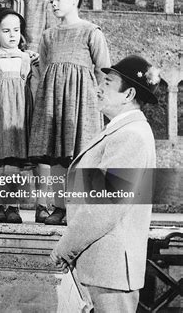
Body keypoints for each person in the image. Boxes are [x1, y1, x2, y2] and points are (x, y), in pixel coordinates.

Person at [51, 55, 161, 312]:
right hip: (101, 267)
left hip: (108, 271)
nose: (98, 88)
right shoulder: (122, 131)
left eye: (108, 83)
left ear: (128, 93)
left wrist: (65, 248)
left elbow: (106, 205)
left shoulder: (131, 136)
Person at [29, 0, 111, 225]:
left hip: (82, 102)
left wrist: (97, 101)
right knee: (56, 156)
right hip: (53, 103)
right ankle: (59, 208)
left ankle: (79, 209)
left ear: (74, 0)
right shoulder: (48, 36)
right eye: (51, 0)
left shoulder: (91, 31)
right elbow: (44, 70)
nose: (53, 4)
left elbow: (104, 71)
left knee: (81, 154)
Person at [0, 0, 58, 223]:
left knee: (40, 141)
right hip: (8, 80)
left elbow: (53, 38)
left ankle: (44, 205)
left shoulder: (44, 4)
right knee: (9, 140)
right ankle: (7, 205)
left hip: (38, 77)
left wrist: (36, 51)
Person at [0, 8, 38, 224]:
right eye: (6, 30)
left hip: (18, 113)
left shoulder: (26, 59)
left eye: (16, 30)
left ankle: (13, 206)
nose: (12, 35)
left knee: (14, 157)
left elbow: (35, 84)